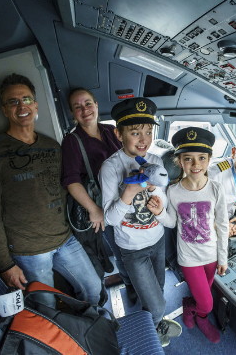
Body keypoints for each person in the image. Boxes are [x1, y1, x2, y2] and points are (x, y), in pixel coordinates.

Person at [0, 73, 101, 307]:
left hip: (65, 239)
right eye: (13, 102)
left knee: (93, 289)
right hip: (28, 250)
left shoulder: (52, 146)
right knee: (45, 306)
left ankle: (88, 335)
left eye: (26, 99)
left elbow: (68, 186)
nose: (21, 106)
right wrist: (5, 264)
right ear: (4, 110)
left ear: (35, 105)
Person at [99, 97, 181, 347]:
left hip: (156, 241)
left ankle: (153, 322)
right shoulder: (110, 168)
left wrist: (156, 196)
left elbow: (162, 204)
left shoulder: (156, 162)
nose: (144, 139)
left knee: (158, 288)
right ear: (119, 134)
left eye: (148, 131)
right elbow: (109, 219)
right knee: (159, 304)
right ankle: (150, 335)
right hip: (132, 249)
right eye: (135, 132)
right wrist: (127, 194)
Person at [147, 127, 229, 343]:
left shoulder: (216, 189)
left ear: (209, 159)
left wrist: (223, 257)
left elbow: (222, 225)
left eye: (202, 158)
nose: (196, 165)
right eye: (188, 159)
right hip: (189, 257)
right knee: (207, 303)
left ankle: (192, 307)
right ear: (180, 162)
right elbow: (172, 222)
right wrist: (159, 214)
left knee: (205, 293)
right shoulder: (173, 191)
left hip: (211, 255)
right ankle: (200, 316)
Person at [60, 87, 136, 304]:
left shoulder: (111, 130)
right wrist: (95, 210)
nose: (84, 110)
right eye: (78, 107)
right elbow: (71, 181)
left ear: (96, 105)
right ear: (72, 113)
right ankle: (129, 283)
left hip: (126, 197)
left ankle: (133, 280)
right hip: (104, 205)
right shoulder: (72, 141)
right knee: (120, 248)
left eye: (88, 104)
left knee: (131, 244)